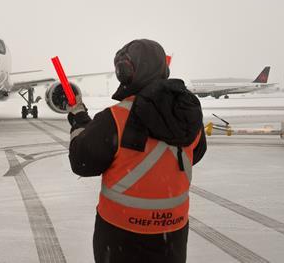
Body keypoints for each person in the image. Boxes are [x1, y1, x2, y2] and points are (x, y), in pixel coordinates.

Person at [67, 39, 207, 263]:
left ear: (125, 72)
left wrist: (79, 121)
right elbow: (195, 154)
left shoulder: (115, 118)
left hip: (120, 237)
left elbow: (82, 161)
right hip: (172, 237)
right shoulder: (189, 117)